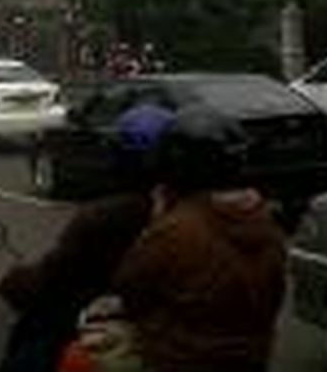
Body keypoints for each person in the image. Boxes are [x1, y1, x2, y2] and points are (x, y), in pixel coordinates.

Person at [0, 102, 176, 372]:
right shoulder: (202, 212)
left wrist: (15, 282)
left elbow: (55, 275)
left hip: (130, 326)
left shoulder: (108, 217)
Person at [112, 105, 287, 372]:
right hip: (253, 357)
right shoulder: (264, 222)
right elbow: (275, 296)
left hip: (180, 360)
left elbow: (130, 290)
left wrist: (157, 222)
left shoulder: (173, 231)